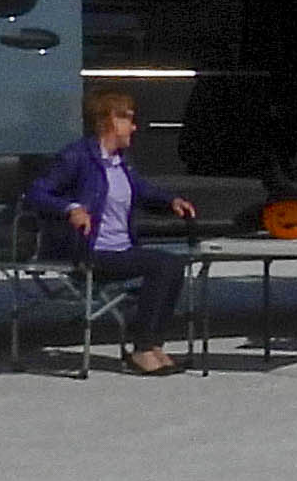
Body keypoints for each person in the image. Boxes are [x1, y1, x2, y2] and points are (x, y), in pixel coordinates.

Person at [23, 88, 200, 374]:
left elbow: (141, 190)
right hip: (92, 251)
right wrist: (71, 208)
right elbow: (36, 193)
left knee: (173, 265)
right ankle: (142, 348)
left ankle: (153, 343)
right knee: (163, 265)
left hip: (122, 248)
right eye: (128, 119)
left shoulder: (122, 161)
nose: (134, 127)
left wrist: (171, 201)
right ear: (109, 121)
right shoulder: (77, 156)